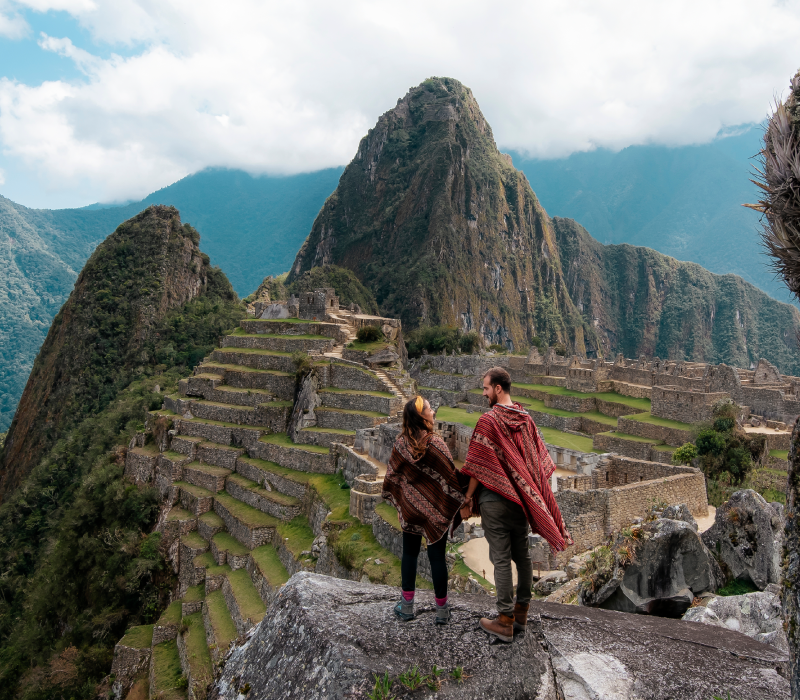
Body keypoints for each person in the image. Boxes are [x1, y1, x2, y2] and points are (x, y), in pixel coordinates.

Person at [460, 367, 572, 643]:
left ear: (498, 388)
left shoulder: (489, 421)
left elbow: (475, 465)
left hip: (494, 501)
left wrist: (467, 498)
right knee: (522, 556)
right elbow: (538, 465)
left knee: (500, 558)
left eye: (486, 388)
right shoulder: (526, 421)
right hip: (521, 502)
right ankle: (522, 612)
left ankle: (504, 620)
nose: (484, 393)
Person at [382, 395, 466, 625]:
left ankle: (407, 606)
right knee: (436, 557)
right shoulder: (436, 444)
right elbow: (451, 477)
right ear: (422, 416)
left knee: (409, 553)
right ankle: (441, 611)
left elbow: (392, 474)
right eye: (429, 408)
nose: (432, 410)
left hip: (411, 510)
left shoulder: (401, 444)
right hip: (435, 512)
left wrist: (406, 495)